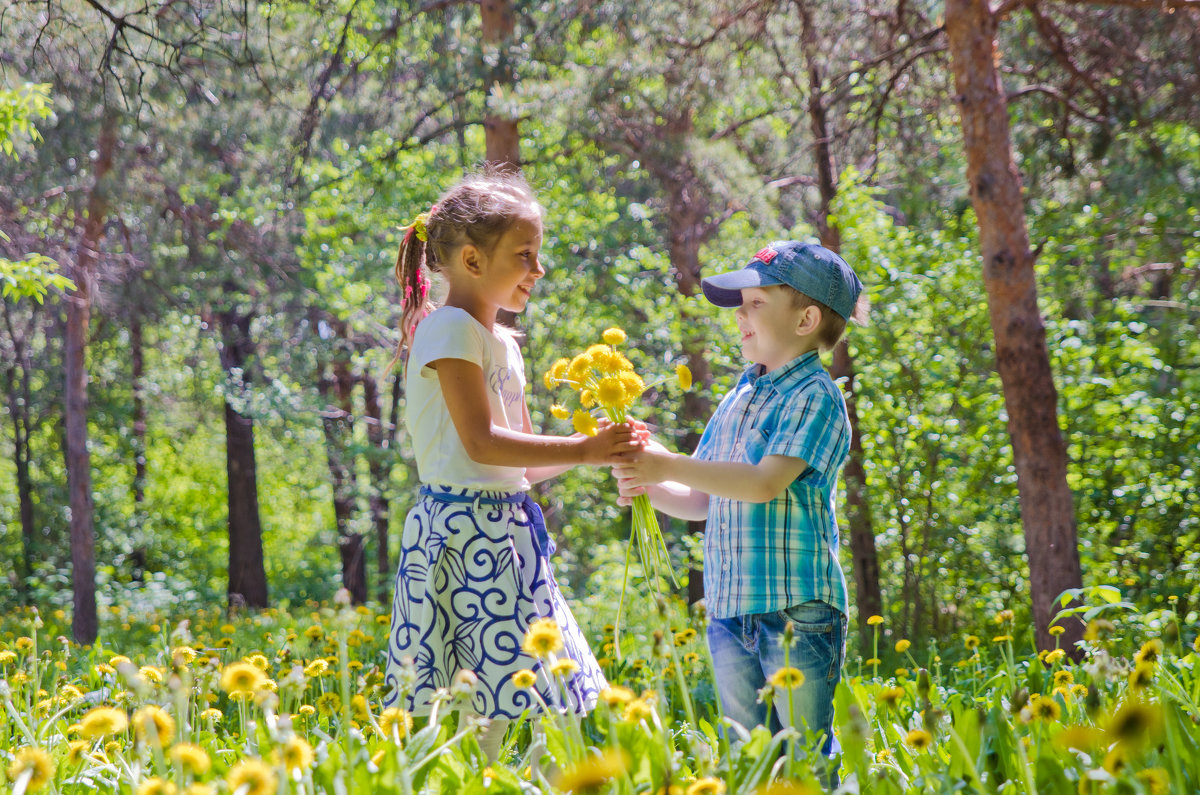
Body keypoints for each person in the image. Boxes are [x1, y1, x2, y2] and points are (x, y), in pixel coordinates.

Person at [382, 169, 637, 762]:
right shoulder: (448, 329)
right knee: (479, 706)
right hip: (459, 537)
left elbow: (519, 465)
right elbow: (480, 443)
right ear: (471, 259)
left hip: (508, 533)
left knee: (554, 696)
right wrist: (583, 450)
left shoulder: (506, 344)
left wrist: (597, 444)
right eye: (525, 255)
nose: (538, 270)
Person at [613, 240, 868, 770]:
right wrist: (647, 482)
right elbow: (704, 500)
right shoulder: (739, 396)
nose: (740, 317)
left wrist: (668, 463)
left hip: (796, 609)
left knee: (804, 760)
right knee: (748, 757)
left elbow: (762, 484)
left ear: (807, 320)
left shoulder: (815, 396)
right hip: (730, 611)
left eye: (755, 304)